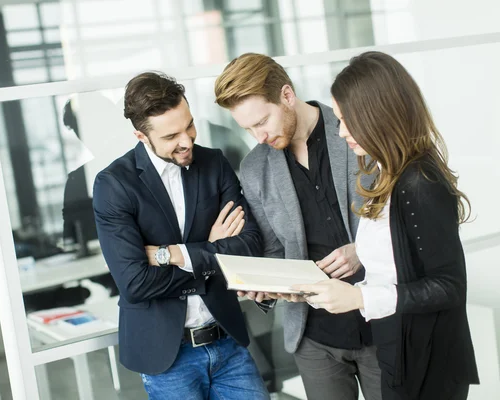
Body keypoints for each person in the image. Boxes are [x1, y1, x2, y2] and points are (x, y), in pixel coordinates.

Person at [291, 51, 479, 399]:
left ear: (378, 115)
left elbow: (448, 286)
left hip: (426, 362)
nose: (341, 130)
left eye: (348, 119)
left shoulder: (420, 182)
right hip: (397, 344)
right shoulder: (385, 172)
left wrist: (358, 296)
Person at [93, 71, 270, 400]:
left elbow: (249, 245)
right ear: (141, 136)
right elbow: (135, 283)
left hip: (227, 342)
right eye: (172, 135)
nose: (187, 140)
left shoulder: (213, 163)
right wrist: (214, 252)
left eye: (189, 125)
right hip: (168, 356)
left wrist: (173, 254)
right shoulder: (114, 185)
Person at [214, 53, 381, 400]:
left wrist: (361, 251)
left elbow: (399, 221)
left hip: (380, 321)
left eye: (261, 121)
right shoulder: (254, 168)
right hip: (315, 339)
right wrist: (263, 285)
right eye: (246, 128)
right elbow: (275, 250)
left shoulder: (356, 133)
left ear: (287, 96)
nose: (257, 136)